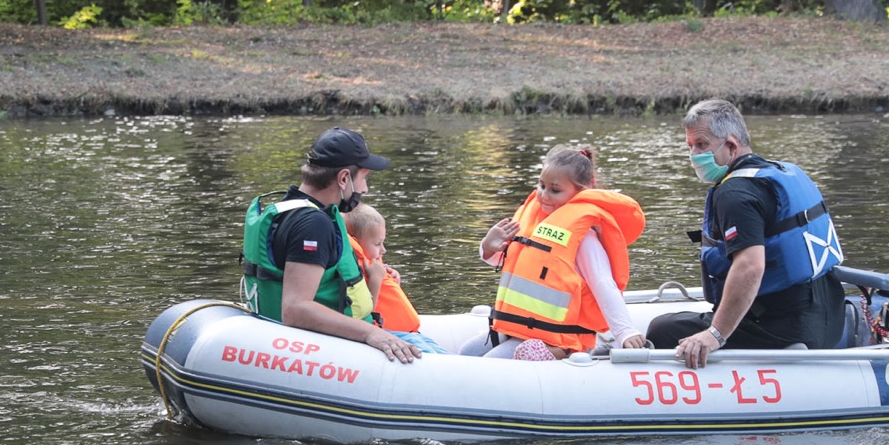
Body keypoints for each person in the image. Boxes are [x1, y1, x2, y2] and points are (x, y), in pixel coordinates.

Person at [646, 99, 845, 368]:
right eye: (690, 146)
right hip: (828, 320)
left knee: (661, 329)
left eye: (702, 145)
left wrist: (715, 335)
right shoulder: (782, 172)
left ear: (730, 144)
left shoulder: (735, 193)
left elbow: (750, 266)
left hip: (782, 328)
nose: (694, 154)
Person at [240, 127, 420, 363]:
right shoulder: (312, 224)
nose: (365, 189)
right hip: (334, 352)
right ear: (344, 178)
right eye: (363, 178)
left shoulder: (289, 208)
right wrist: (371, 332)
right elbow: (295, 309)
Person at [462, 144, 648, 360]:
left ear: (584, 192)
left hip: (560, 336)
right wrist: (488, 247)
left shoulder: (584, 237)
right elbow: (504, 261)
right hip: (517, 327)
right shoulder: (531, 222)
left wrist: (625, 332)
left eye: (555, 190)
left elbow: (603, 284)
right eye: (541, 186)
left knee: (490, 363)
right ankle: (537, 352)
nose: (544, 196)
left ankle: (557, 353)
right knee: (467, 352)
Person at [343, 202, 447, 354]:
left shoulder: (372, 263)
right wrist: (376, 279)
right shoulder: (354, 269)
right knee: (444, 363)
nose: (383, 250)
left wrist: (390, 278)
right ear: (356, 242)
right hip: (388, 335)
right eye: (378, 244)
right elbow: (364, 310)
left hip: (411, 333)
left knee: (444, 355)